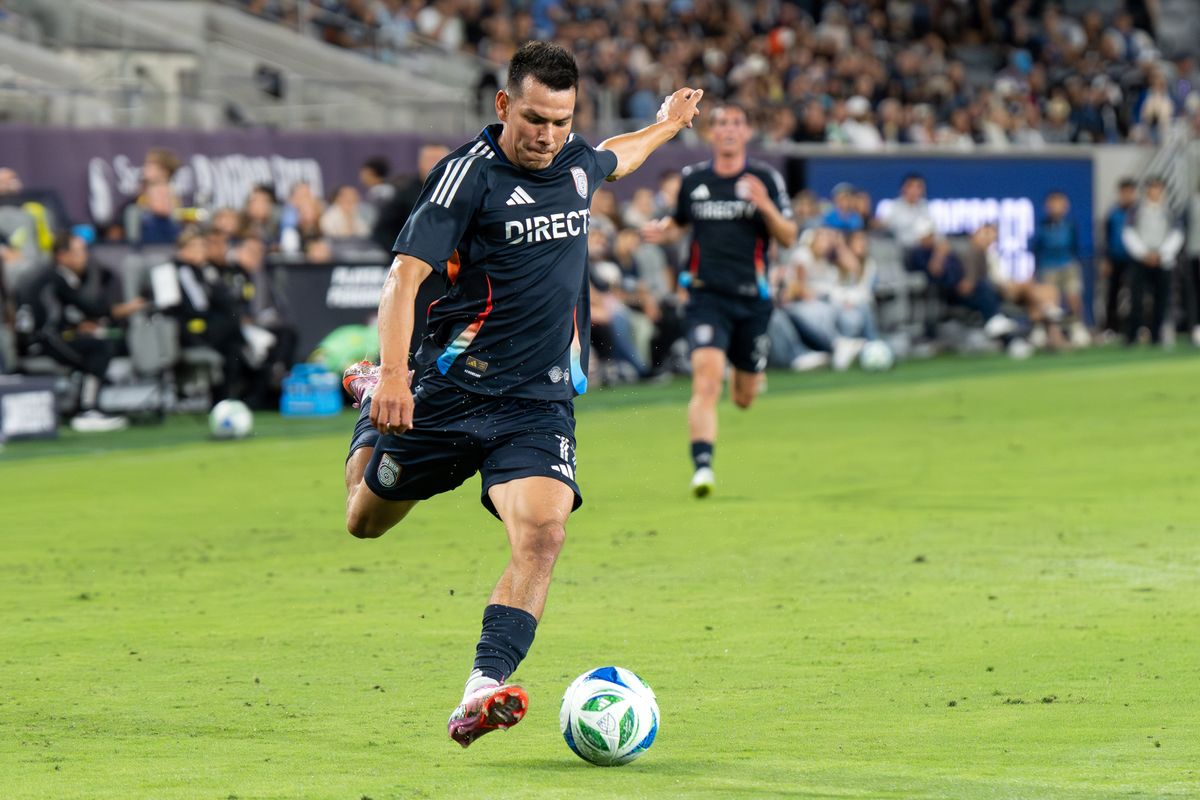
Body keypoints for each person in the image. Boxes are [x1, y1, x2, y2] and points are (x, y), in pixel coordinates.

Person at [338, 41, 703, 748]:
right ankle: (365, 407)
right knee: (364, 519)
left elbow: (615, 158)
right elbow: (403, 280)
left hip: (536, 403)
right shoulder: (464, 178)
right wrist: (391, 374)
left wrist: (666, 126)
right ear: (505, 105)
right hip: (448, 390)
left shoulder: (573, 162)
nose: (547, 136)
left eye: (561, 122)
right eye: (535, 118)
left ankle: (483, 686)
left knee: (544, 534)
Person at [642, 102, 797, 497]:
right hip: (706, 296)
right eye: (722, 123)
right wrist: (665, 231)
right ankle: (703, 468)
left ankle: (744, 371)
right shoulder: (694, 180)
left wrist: (763, 205)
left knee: (743, 398)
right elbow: (679, 225)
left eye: (736, 123)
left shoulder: (765, 178)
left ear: (746, 132)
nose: (729, 129)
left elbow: (789, 236)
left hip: (752, 300)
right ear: (711, 133)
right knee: (706, 385)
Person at [13, 233, 145, 431]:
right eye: (78, 251)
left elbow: (54, 313)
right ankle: (87, 410)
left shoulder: (48, 276)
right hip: (41, 342)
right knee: (99, 348)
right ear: (61, 255)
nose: (84, 256)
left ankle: (80, 406)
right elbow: (91, 309)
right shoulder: (56, 278)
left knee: (92, 343)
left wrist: (75, 327)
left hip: (40, 339)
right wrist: (127, 308)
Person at [1122, 176, 1183, 345]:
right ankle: (1132, 335)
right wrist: (1144, 253)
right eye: (1151, 188)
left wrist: (1162, 253)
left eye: (1158, 188)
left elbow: (1177, 234)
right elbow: (1128, 233)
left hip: (1163, 260)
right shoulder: (1136, 210)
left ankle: (1157, 335)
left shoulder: (1170, 210)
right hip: (1140, 260)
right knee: (1136, 298)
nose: (1154, 191)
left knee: (1161, 300)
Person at [1029, 190, 1088, 346]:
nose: (1056, 207)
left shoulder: (1070, 225)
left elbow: (1075, 247)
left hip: (1069, 265)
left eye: (1059, 204)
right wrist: (1035, 272)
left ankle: (1077, 328)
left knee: (1074, 296)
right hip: (1048, 267)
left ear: (1065, 206)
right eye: (1052, 204)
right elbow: (1037, 249)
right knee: (1049, 303)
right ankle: (1048, 332)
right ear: (1047, 207)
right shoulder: (1041, 227)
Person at [1103, 178, 1138, 337]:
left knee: (1135, 295)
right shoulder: (1113, 214)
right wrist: (1106, 259)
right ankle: (1112, 328)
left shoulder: (1139, 213)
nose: (1126, 196)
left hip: (1134, 259)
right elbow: (1106, 237)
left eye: (1129, 192)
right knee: (1112, 295)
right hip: (1116, 258)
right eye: (1123, 192)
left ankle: (1135, 327)